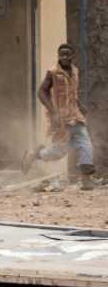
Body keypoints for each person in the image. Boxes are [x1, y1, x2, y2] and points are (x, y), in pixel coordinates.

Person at [25, 44, 96, 190]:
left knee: (85, 144)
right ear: (58, 56)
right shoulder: (52, 73)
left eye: (67, 55)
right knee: (59, 151)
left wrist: (80, 105)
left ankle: (86, 179)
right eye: (61, 55)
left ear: (72, 56)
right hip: (61, 118)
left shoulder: (75, 71)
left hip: (76, 116)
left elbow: (72, 93)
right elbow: (41, 92)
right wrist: (53, 112)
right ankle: (35, 154)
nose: (64, 57)